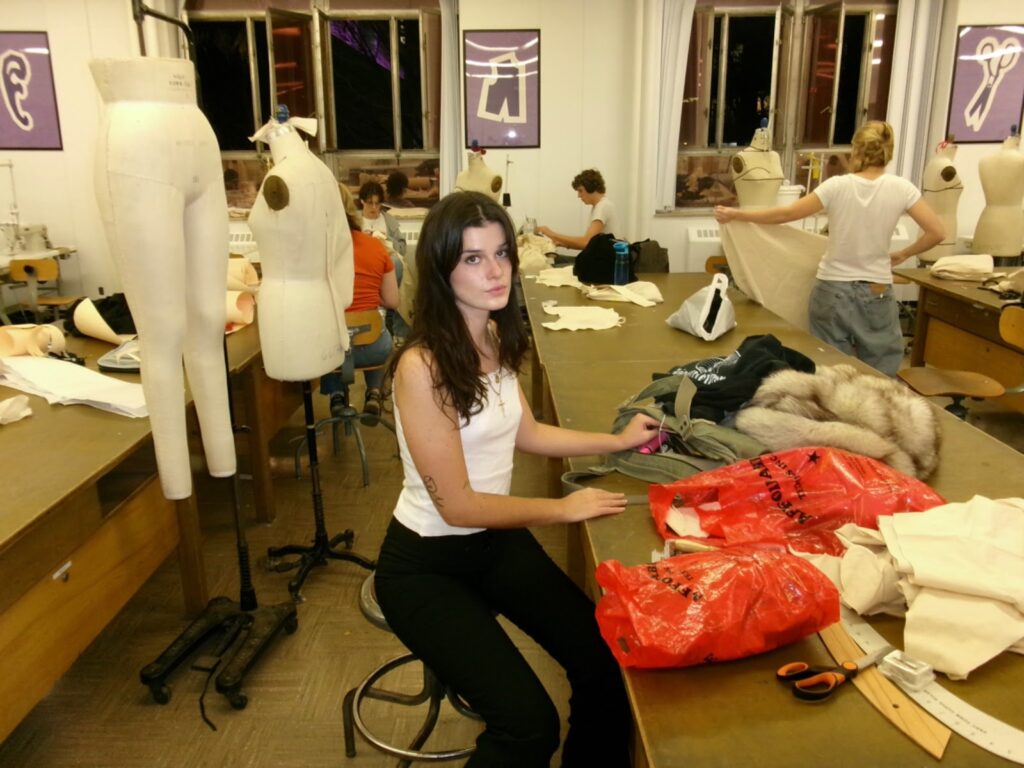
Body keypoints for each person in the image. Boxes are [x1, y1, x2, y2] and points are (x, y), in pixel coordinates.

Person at [373, 190, 660, 767]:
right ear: (440, 267)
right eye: (473, 259)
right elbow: (457, 506)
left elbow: (524, 431)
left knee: (605, 656)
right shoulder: (421, 367)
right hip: (426, 565)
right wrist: (563, 508)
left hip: (491, 545)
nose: (497, 270)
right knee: (528, 727)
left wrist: (616, 440)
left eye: (501, 252)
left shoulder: (494, 338)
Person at [714, 120, 944, 377]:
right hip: (876, 288)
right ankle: (871, 414)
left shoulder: (837, 186)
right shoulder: (902, 188)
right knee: (880, 372)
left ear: (856, 150)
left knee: (831, 369)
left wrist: (737, 215)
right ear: (888, 151)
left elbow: (786, 214)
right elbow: (937, 233)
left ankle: (833, 412)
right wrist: (905, 253)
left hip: (832, 288)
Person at [319, 184, 399, 419]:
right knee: (379, 335)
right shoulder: (376, 247)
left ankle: (336, 396)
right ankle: (373, 392)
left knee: (324, 340)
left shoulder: (320, 252)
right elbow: (393, 301)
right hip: (372, 349)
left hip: (332, 351)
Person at [537, 168, 615, 248]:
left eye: (581, 191)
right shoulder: (602, 205)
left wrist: (549, 233)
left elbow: (586, 242)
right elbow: (589, 245)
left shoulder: (602, 207)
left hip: (602, 260)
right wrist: (562, 243)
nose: (578, 195)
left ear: (591, 187)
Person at [358, 180, 406, 258]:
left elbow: (402, 249)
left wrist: (387, 240)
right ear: (362, 201)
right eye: (370, 203)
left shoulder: (389, 221)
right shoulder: (354, 221)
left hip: (385, 263)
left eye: (377, 203)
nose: (374, 207)